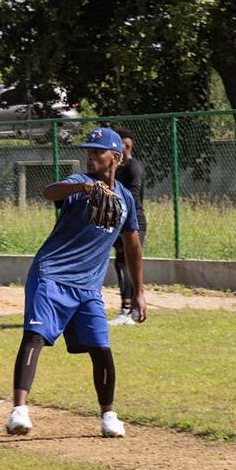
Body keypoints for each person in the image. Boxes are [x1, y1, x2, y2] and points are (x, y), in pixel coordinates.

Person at [7, 127, 146, 438]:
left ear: (116, 157)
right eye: (89, 151)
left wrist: (139, 293)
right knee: (35, 336)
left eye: (98, 151)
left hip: (88, 288)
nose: (92, 156)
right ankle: (19, 410)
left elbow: (133, 245)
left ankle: (109, 415)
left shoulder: (125, 200)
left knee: (101, 348)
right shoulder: (78, 182)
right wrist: (81, 189)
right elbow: (50, 192)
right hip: (51, 275)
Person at [110, 126, 147, 325]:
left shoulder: (133, 168)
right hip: (118, 219)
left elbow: (133, 198)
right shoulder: (117, 170)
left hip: (134, 220)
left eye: (125, 146)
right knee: (120, 261)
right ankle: (127, 308)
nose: (122, 150)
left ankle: (129, 309)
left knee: (128, 262)